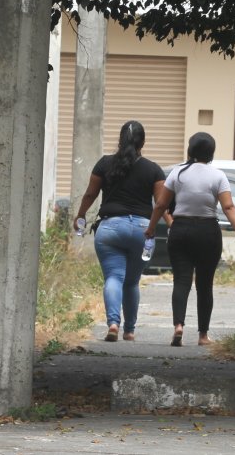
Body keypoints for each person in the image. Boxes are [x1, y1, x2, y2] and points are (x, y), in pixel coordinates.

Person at [146, 133, 235, 346]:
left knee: (181, 280)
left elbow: (161, 205)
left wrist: (151, 228)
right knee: (204, 284)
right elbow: (228, 207)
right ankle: (202, 336)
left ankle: (178, 326)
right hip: (208, 231)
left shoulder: (178, 173)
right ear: (211, 153)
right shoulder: (218, 176)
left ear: (190, 151)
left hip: (180, 229)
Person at [73, 120, 165, 343]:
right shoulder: (153, 169)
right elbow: (161, 203)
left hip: (110, 228)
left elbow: (90, 194)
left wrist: (81, 215)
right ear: (143, 141)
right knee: (132, 282)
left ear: (120, 140)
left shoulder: (104, 164)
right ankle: (130, 330)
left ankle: (113, 323)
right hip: (142, 231)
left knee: (113, 277)